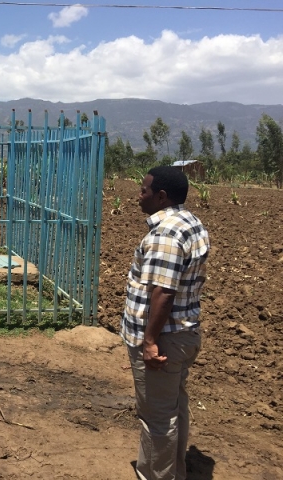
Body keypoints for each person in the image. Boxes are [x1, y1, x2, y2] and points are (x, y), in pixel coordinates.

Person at [121, 166, 210, 480]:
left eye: (144, 190)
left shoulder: (166, 233)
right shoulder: (190, 223)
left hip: (164, 340)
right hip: (184, 334)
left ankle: (157, 475)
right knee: (173, 408)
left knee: (157, 418)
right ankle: (176, 472)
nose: (138, 195)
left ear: (161, 196)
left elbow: (162, 292)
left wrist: (149, 340)